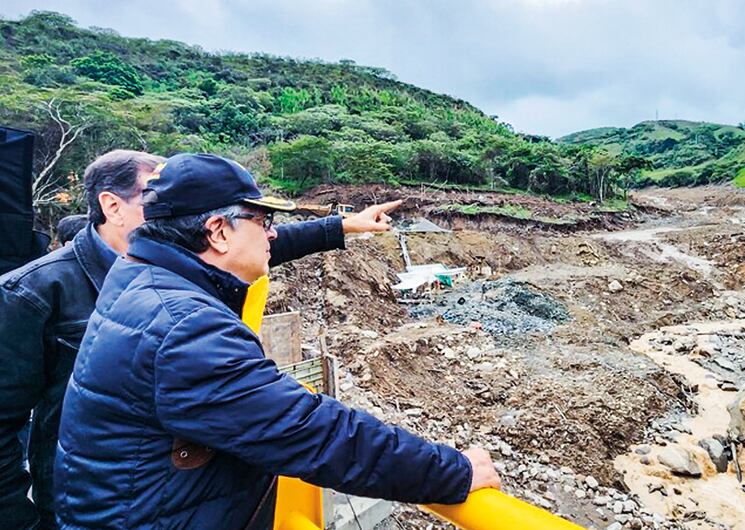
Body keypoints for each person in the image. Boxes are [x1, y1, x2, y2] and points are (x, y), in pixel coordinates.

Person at [54, 153, 500, 529]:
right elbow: (313, 432)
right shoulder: (185, 329)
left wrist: (341, 227)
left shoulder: (142, 273)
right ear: (218, 231)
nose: (272, 233)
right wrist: (453, 471)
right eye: (263, 219)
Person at [0, 150, 401, 530]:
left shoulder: (171, 264)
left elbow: (258, 245)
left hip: (182, 494)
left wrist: (343, 225)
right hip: (95, 498)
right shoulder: (36, 291)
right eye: (152, 193)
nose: (167, 201)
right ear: (112, 205)